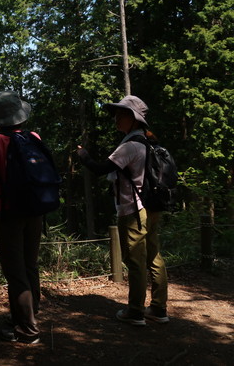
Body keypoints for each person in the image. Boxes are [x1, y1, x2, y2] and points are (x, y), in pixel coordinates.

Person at [76, 95, 169, 326]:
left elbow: (100, 169)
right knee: (154, 257)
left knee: (135, 260)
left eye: (122, 115)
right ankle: (158, 309)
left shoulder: (130, 146)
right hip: (152, 207)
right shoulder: (152, 143)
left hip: (133, 210)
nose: (117, 119)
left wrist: (83, 156)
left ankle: (135, 312)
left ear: (134, 119)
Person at [0, 91, 42, 344]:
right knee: (30, 267)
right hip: (34, 211)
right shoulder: (34, 138)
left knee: (15, 272)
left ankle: (27, 329)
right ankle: (27, 316)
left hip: (6, 212)